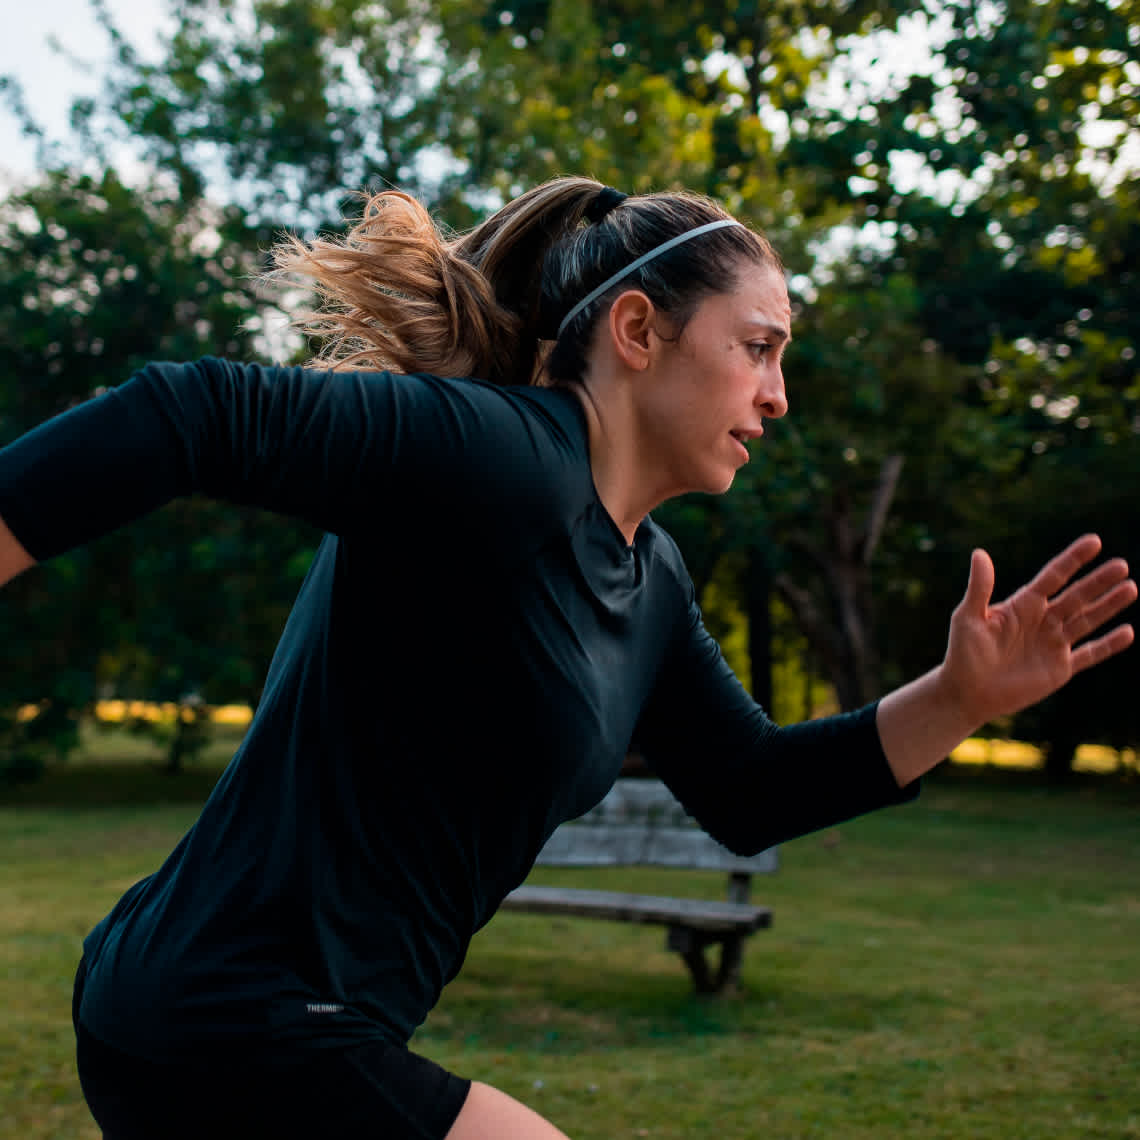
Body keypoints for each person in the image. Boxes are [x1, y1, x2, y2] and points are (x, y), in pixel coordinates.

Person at [0, 177, 1133, 1140]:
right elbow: (186, 412)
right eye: (758, 349)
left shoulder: (650, 579)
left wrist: (963, 695)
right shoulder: (505, 457)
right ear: (638, 333)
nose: (779, 394)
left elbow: (747, 788)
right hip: (230, 1013)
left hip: (238, 1018)